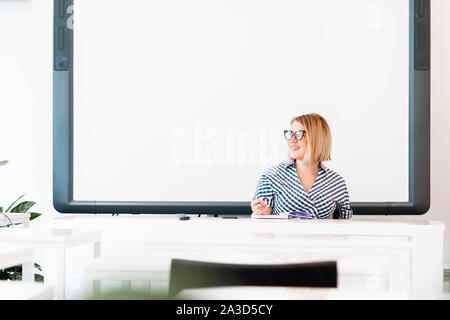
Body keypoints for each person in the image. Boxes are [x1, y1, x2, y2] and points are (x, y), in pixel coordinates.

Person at [251, 113, 352, 219]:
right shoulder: (271, 176)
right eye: (290, 134)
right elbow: (262, 226)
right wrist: (259, 212)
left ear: (316, 139)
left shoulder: (336, 182)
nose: (291, 140)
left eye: (298, 134)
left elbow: (343, 228)